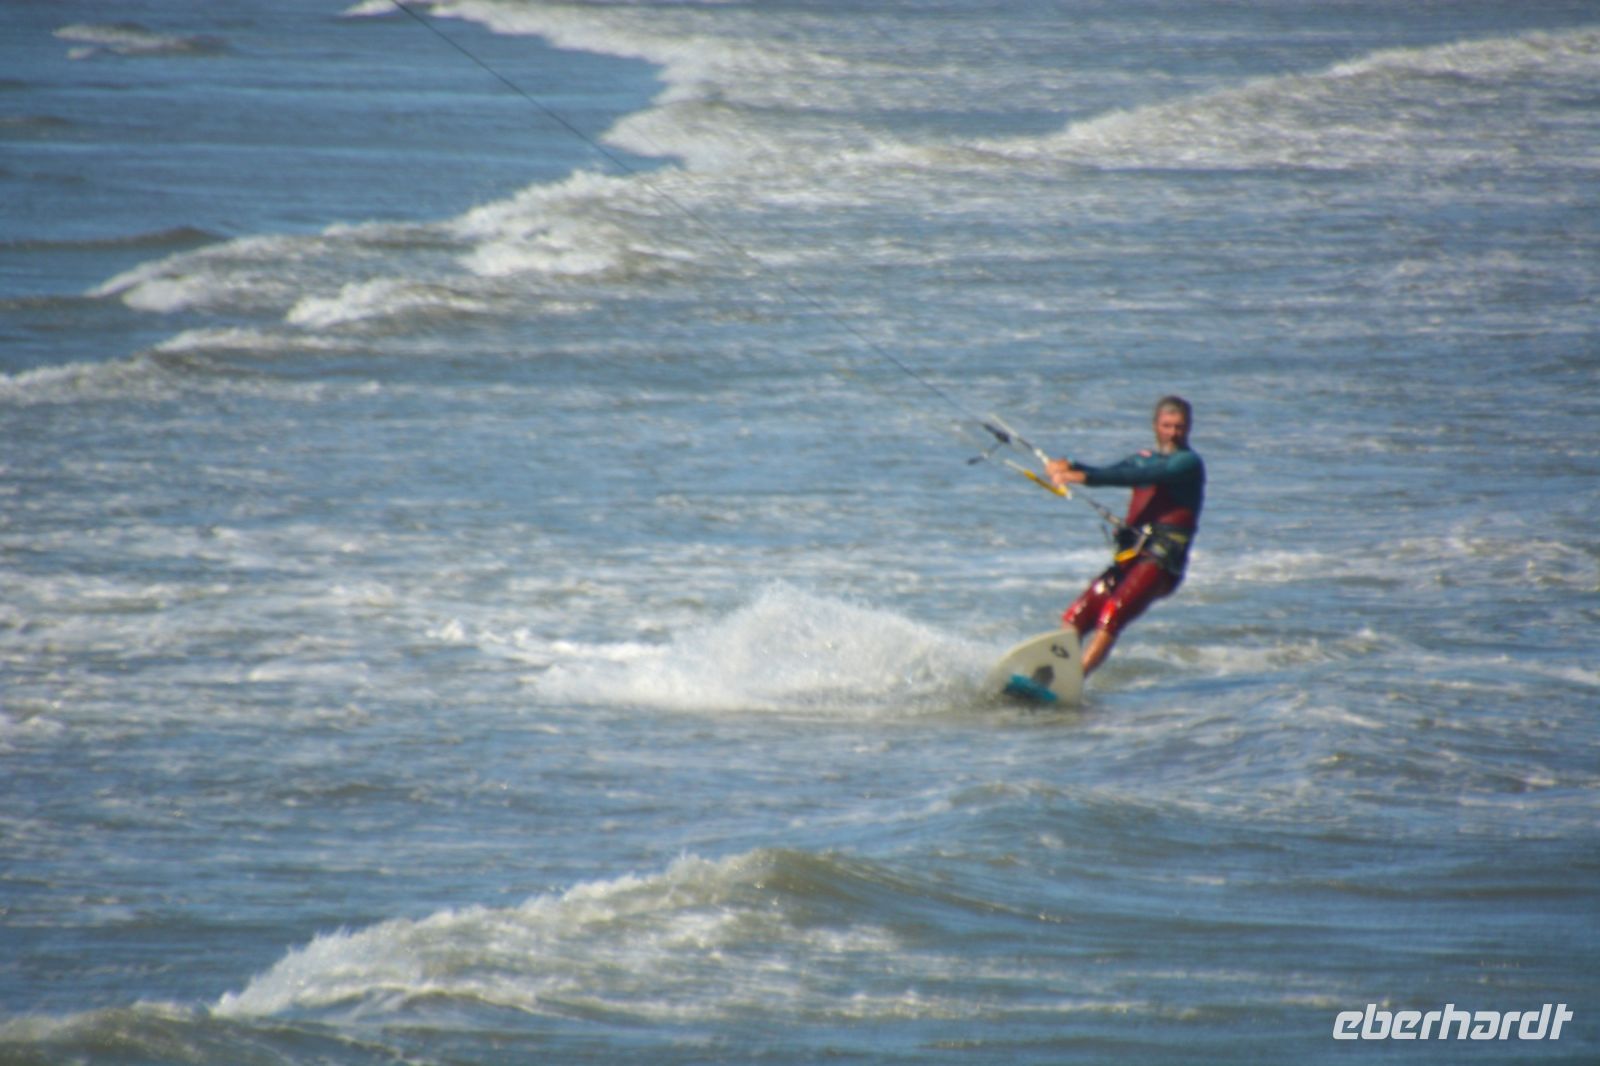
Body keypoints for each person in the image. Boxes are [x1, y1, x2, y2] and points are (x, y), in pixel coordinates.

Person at [1046, 395, 1205, 677]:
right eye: (1167, 426)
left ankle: (1075, 679)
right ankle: (1052, 673)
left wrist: (1078, 477)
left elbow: (1147, 474)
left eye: (1179, 427)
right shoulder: (1142, 460)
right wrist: (1069, 464)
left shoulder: (1187, 463)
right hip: (1131, 557)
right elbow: (1113, 472)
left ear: (1189, 428)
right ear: (1156, 426)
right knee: (1077, 614)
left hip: (1161, 560)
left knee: (1113, 613)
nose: (1173, 433)